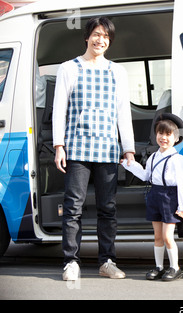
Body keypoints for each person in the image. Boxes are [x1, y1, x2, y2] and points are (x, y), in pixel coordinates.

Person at [52, 17, 135, 281]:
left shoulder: (117, 71)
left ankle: (107, 261)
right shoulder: (69, 68)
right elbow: (59, 111)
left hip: (108, 147)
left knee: (107, 208)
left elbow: (123, 113)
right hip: (76, 147)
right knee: (73, 206)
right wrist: (58, 146)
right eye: (97, 35)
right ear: (87, 37)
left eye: (106, 37)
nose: (101, 40)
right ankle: (71, 261)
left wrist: (128, 148)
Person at [122, 113, 183, 281]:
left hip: (170, 197)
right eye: (160, 133)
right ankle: (159, 267)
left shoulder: (178, 159)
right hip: (155, 195)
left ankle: (175, 267)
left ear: (176, 138)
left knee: (168, 236)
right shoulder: (153, 157)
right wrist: (128, 164)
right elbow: (146, 175)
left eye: (168, 135)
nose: (163, 138)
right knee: (158, 236)